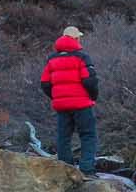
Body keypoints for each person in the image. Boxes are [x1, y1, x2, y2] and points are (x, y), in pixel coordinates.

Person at [40, 24, 99, 173]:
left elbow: (45, 83)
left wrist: (56, 97)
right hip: (82, 104)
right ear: (75, 39)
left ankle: (66, 170)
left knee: (63, 138)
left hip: (62, 106)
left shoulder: (52, 59)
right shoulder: (82, 57)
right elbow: (90, 81)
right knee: (88, 136)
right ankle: (87, 170)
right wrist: (92, 97)